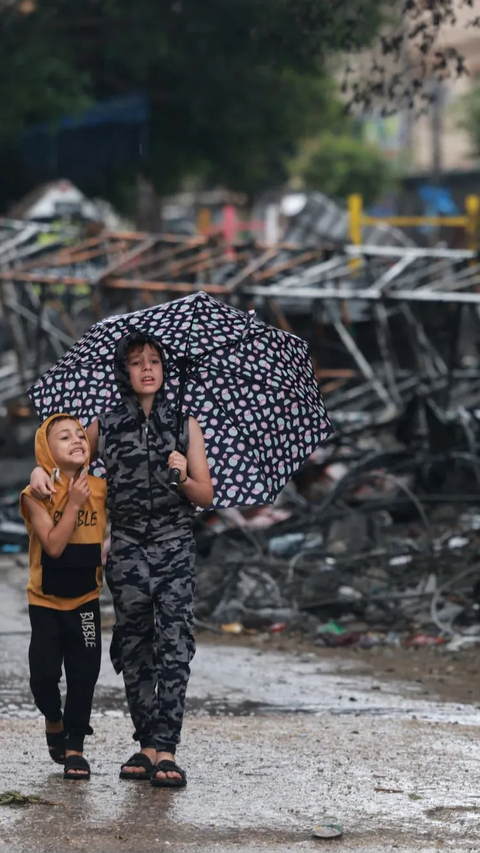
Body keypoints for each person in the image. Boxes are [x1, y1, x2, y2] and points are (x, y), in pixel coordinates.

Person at [30, 332, 213, 787]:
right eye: (136, 362)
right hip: (127, 548)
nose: (147, 369)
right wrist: (38, 471)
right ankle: (146, 744)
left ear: (165, 369)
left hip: (174, 545)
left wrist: (183, 475)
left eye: (154, 361)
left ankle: (167, 750)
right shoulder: (105, 425)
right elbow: (66, 462)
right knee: (134, 646)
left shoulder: (185, 425)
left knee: (174, 647)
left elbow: (205, 495)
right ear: (124, 372)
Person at [20, 414, 107, 781]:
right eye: (63, 437)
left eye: (80, 436)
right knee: (43, 677)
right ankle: (53, 719)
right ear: (46, 452)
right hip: (45, 602)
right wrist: (70, 502)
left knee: (84, 675)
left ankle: (75, 747)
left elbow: (100, 426)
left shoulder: (102, 488)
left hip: (86, 600)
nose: (76, 440)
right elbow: (53, 547)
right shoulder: (35, 494)